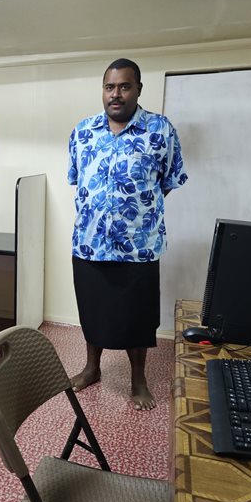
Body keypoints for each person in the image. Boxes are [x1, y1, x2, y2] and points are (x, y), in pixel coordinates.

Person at [67, 58, 187, 410]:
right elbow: (78, 180)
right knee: (93, 312)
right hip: (89, 244)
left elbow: (168, 181)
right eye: (109, 87)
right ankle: (92, 368)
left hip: (139, 246)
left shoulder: (160, 130)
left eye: (124, 86)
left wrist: (136, 210)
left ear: (138, 89)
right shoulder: (83, 131)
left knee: (137, 317)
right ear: (103, 91)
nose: (116, 94)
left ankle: (138, 379)